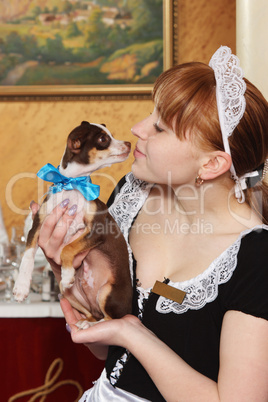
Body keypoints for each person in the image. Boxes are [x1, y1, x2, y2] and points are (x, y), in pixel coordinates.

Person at [33, 46, 268, 401]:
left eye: (159, 127)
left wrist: (135, 335)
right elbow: (105, 347)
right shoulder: (131, 196)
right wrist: (64, 267)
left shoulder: (256, 259)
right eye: (151, 113)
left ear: (211, 164)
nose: (137, 128)